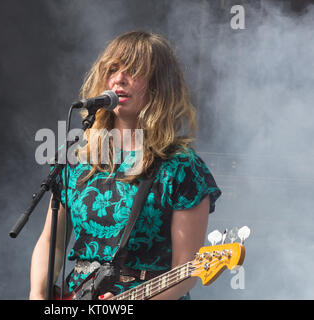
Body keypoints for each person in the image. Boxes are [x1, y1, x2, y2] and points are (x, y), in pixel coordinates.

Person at [29, 30, 221, 300]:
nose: (119, 78)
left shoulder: (182, 166)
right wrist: (37, 296)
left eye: (133, 70)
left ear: (159, 85)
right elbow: (52, 243)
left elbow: (185, 272)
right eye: (113, 69)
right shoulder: (77, 154)